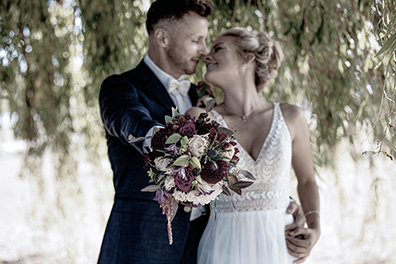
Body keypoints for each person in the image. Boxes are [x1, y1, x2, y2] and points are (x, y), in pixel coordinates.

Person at [98, 0, 310, 263]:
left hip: (206, 247)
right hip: (141, 246)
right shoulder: (121, 88)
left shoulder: (202, 97)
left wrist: (281, 201)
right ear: (162, 38)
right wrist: (168, 144)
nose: (203, 51)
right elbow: (130, 122)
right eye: (196, 40)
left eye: (207, 41)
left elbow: (231, 165)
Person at [188, 27, 321, 263]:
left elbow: (307, 180)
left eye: (218, 48)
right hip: (222, 246)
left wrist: (315, 228)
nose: (207, 56)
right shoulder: (201, 120)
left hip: (280, 246)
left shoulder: (290, 116)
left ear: (248, 57)